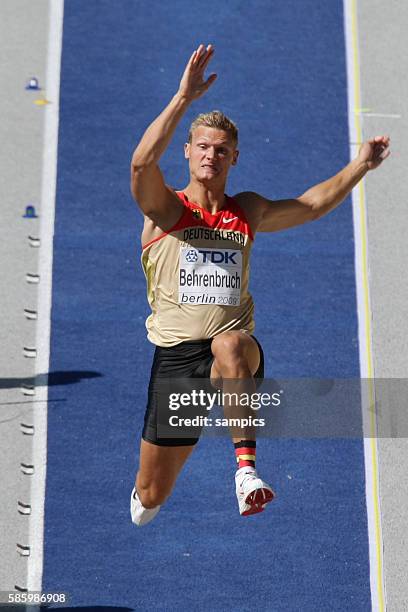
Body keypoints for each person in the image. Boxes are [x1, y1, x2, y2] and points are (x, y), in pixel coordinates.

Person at [129, 43, 390, 526]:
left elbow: (310, 206)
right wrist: (182, 98)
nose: (212, 155)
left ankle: (245, 472)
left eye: (222, 150)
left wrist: (360, 166)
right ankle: (152, 490)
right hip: (177, 357)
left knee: (230, 343)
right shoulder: (167, 210)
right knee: (150, 496)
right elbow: (142, 167)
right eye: (203, 147)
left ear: (234, 158)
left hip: (233, 350)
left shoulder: (244, 210)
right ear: (187, 152)